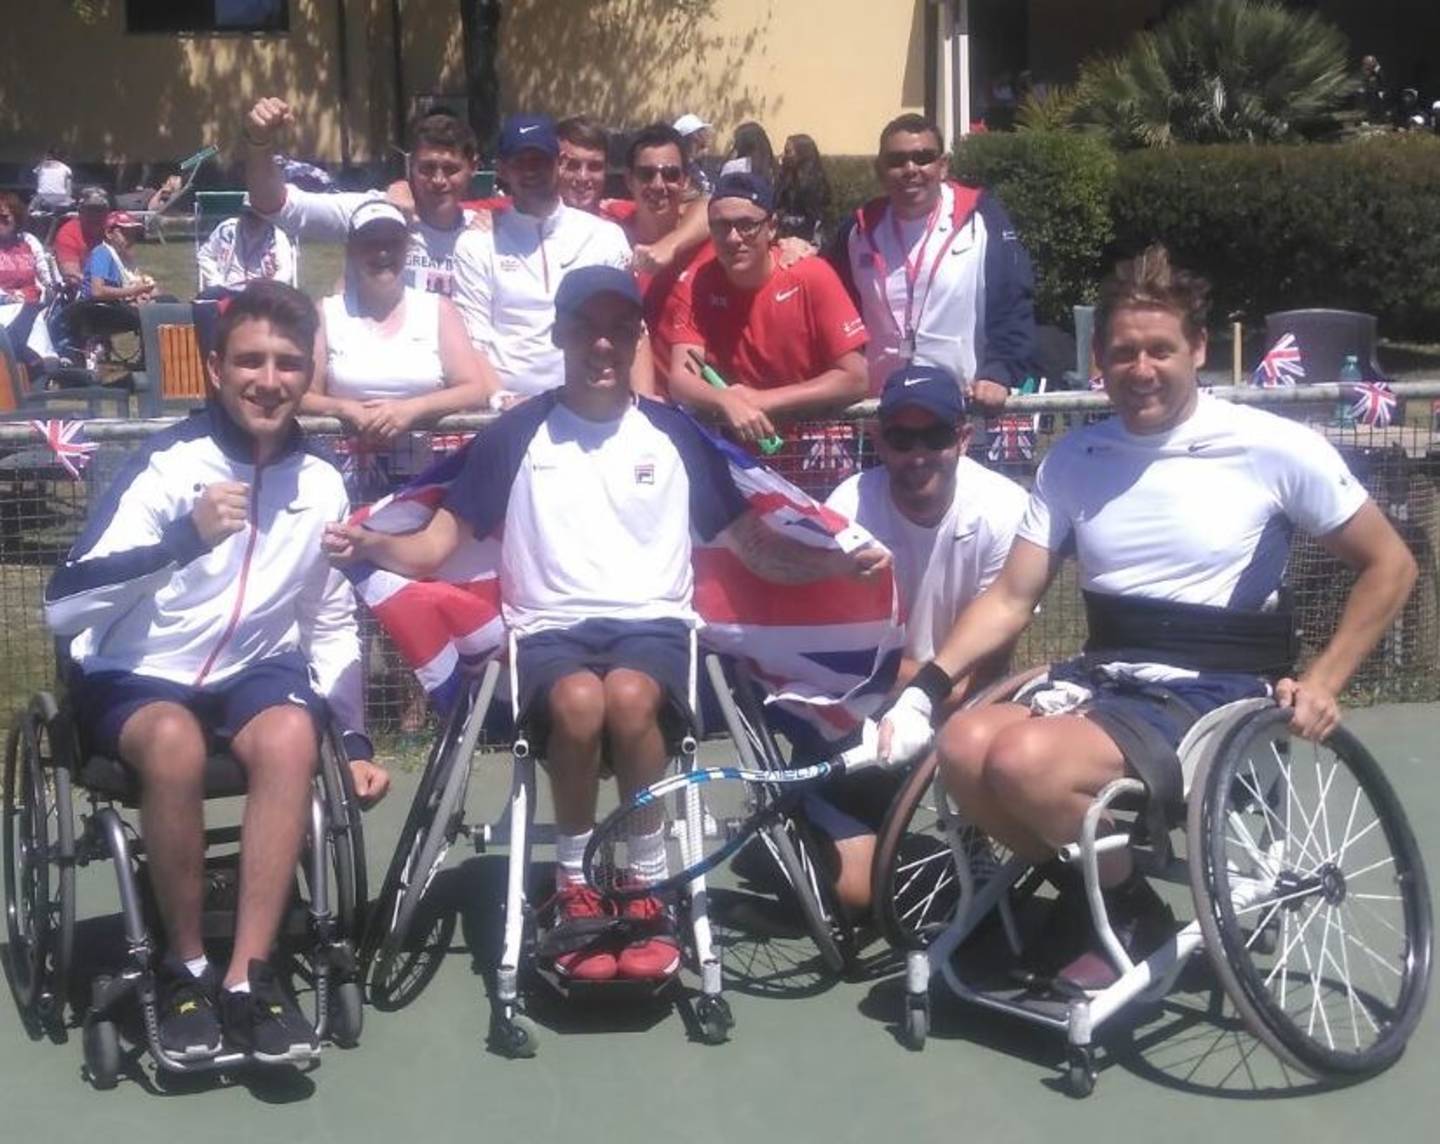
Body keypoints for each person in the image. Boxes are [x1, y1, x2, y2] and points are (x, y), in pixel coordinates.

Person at [875, 246, 1419, 990]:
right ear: (1098, 359)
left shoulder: (1274, 448)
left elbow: (1391, 565)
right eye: (1123, 352)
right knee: (965, 745)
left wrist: (1324, 680)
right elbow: (1011, 597)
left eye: (1161, 349)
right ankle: (1103, 893)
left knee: (1021, 762)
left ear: (1197, 349)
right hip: (1106, 680)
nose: (1142, 369)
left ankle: (1123, 910)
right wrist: (925, 691)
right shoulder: (1075, 458)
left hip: (1214, 690)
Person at [325, 265, 887, 982]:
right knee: (580, 701)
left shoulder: (677, 434)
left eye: (620, 330)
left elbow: (756, 550)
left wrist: (838, 569)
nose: (603, 344)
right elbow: (436, 545)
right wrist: (373, 545)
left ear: (635, 339)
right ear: (559, 335)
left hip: (655, 630)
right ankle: (574, 885)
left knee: (626, 695)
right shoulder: (515, 435)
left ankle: (646, 884)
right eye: (587, 328)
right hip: (545, 634)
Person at [44, 280, 390, 1063]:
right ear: (214, 367)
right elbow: (64, 606)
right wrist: (181, 540)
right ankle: (186, 966)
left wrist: (359, 737)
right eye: (251, 361)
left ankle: (248, 977)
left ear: (309, 378)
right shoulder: (166, 464)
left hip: (250, 669)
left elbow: (329, 619)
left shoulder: (323, 483)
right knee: (173, 742)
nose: (269, 380)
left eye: (289, 364)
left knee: (294, 735)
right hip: (137, 672)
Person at [812, 364, 1026, 911]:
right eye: (902, 438)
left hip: (954, 701)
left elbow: (990, 657)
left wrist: (936, 700)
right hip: (862, 707)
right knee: (857, 896)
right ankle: (806, 827)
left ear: (962, 438)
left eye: (933, 435)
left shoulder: (1003, 509)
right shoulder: (848, 506)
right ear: (879, 440)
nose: (917, 454)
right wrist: (918, 692)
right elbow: (849, 649)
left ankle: (971, 833)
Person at [662, 171, 867, 480]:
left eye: (747, 225)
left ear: (771, 227)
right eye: (721, 225)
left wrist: (763, 401)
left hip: (816, 457)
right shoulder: (697, 282)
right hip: (741, 464)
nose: (733, 238)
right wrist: (725, 399)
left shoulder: (811, 275)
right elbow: (681, 378)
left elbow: (856, 378)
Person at [825, 113, 1036, 411]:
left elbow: (1013, 303)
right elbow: (826, 305)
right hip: (881, 413)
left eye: (923, 157)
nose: (910, 169)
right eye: (897, 161)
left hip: (961, 408)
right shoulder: (857, 231)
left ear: (943, 165)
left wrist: (999, 371)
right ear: (880, 170)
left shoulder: (981, 220)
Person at [306, 201, 496, 491]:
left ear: (406, 249)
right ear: (352, 250)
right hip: (346, 476)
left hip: (427, 474)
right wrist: (345, 409)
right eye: (370, 243)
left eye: (392, 243)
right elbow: (304, 395)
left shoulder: (438, 309)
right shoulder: (326, 312)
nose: (382, 253)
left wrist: (411, 410)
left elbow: (474, 389)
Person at [450, 114, 636, 402]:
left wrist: (642, 405)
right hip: (506, 411)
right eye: (519, 163)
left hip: (590, 405)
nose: (530, 172)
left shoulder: (605, 236)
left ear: (559, 163)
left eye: (539, 161)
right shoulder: (476, 243)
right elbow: (475, 338)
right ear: (502, 169)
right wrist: (501, 398)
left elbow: (632, 330)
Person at [244, 97, 479, 296]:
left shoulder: (485, 231)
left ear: (473, 167)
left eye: (451, 169)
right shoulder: (372, 213)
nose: (438, 180)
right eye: (427, 168)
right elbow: (276, 206)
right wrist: (259, 143)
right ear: (410, 165)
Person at [0, 192, 59, 364]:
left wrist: (53, 288)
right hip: (5, 309)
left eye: (4, 217)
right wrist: (6, 298)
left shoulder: (29, 241)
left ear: (16, 217)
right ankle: (47, 363)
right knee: (30, 317)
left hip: (36, 305)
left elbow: (45, 273)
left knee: (37, 315)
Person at [196, 206, 298, 291]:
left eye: (259, 216)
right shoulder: (227, 230)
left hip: (262, 293)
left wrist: (270, 289)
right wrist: (216, 281)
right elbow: (205, 255)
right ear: (242, 214)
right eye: (249, 214)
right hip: (226, 288)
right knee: (203, 305)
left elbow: (285, 270)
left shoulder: (277, 236)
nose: (253, 220)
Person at [80, 212, 156, 302]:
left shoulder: (124, 257)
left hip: (118, 306)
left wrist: (142, 293)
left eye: (133, 234)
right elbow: (97, 291)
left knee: (166, 300)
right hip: (97, 309)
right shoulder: (102, 253)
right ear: (109, 233)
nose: (130, 238)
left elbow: (133, 284)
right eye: (125, 233)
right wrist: (134, 291)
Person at [775, 133, 831, 247]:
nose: (784, 155)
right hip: (785, 239)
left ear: (802, 154)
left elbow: (815, 216)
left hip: (807, 240)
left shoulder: (814, 182)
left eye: (788, 151)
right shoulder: (786, 177)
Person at [51, 185, 111, 284]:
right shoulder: (68, 233)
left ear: (107, 212)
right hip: (82, 293)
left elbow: (127, 267)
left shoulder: (111, 231)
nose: (95, 215)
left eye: (100, 210)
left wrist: (121, 248)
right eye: (90, 210)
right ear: (80, 211)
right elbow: (72, 277)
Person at [673, 113, 718, 194]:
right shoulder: (684, 169)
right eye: (703, 130)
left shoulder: (697, 163)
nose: (707, 134)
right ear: (696, 135)